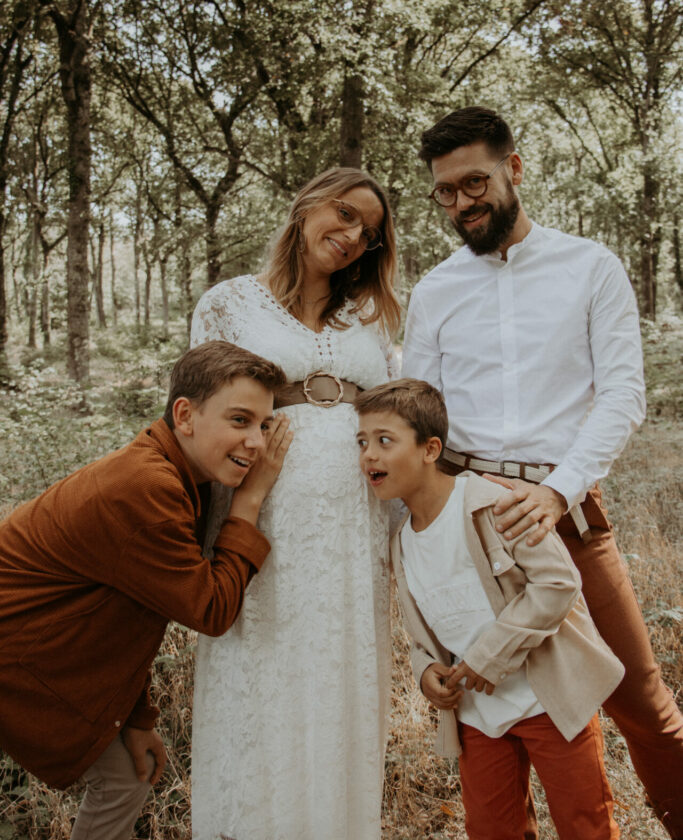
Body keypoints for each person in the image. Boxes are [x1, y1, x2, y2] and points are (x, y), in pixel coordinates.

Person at [402, 105, 683, 838]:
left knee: (638, 700)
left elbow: (623, 395)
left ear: (513, 169)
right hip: (469, 524)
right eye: (445, 192)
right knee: (489, 711)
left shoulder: (589, 266)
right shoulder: (433, 291)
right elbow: (422, 413)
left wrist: (555, 488)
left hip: (566, 511)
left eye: (474, 183)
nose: (462, 203)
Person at [0, 340, 291, 840]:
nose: (258, 444)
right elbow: (212, 608)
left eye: (265, 425)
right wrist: (252, 499)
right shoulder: (147, 485)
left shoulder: (178, 474)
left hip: (40, 656)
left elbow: (133, 610)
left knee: (125, 778)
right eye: (240, 420)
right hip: (20, 658)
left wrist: (136, 719)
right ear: (185, 414)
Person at [190, 167, 401, 840]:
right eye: (343, 215)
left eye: (366, 234)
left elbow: (394, 410)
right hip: (266, 510)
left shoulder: (367, 318)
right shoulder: (230, 302)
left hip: (354, 522)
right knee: (264, 671)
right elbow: (204, 420)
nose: (349, 237)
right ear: (307, 205)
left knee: (339, 672)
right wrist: (239, 498)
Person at [355, 378, 624, 840]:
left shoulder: (492, 504)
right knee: (492, 830)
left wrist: (489, 655)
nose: (369, 456)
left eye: (385, 440)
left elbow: (558, 583)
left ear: (429, 448)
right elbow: (423, 633)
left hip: (548, 698)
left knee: (585, 824)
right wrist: (425, 673)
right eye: (362, 442)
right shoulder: (400, 543)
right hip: (479, 716)